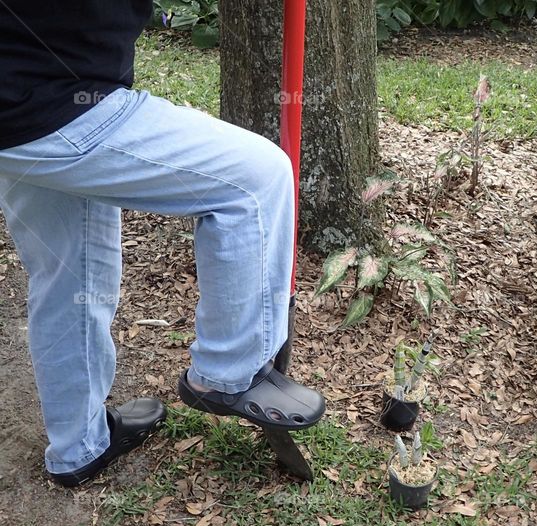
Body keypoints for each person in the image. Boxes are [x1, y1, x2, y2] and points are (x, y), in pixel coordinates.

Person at [0, 1, 326, 487]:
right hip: (57, 103)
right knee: (256, 179)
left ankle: (77, 448)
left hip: (22, 107)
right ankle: (225, 376)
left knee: (70, 273)